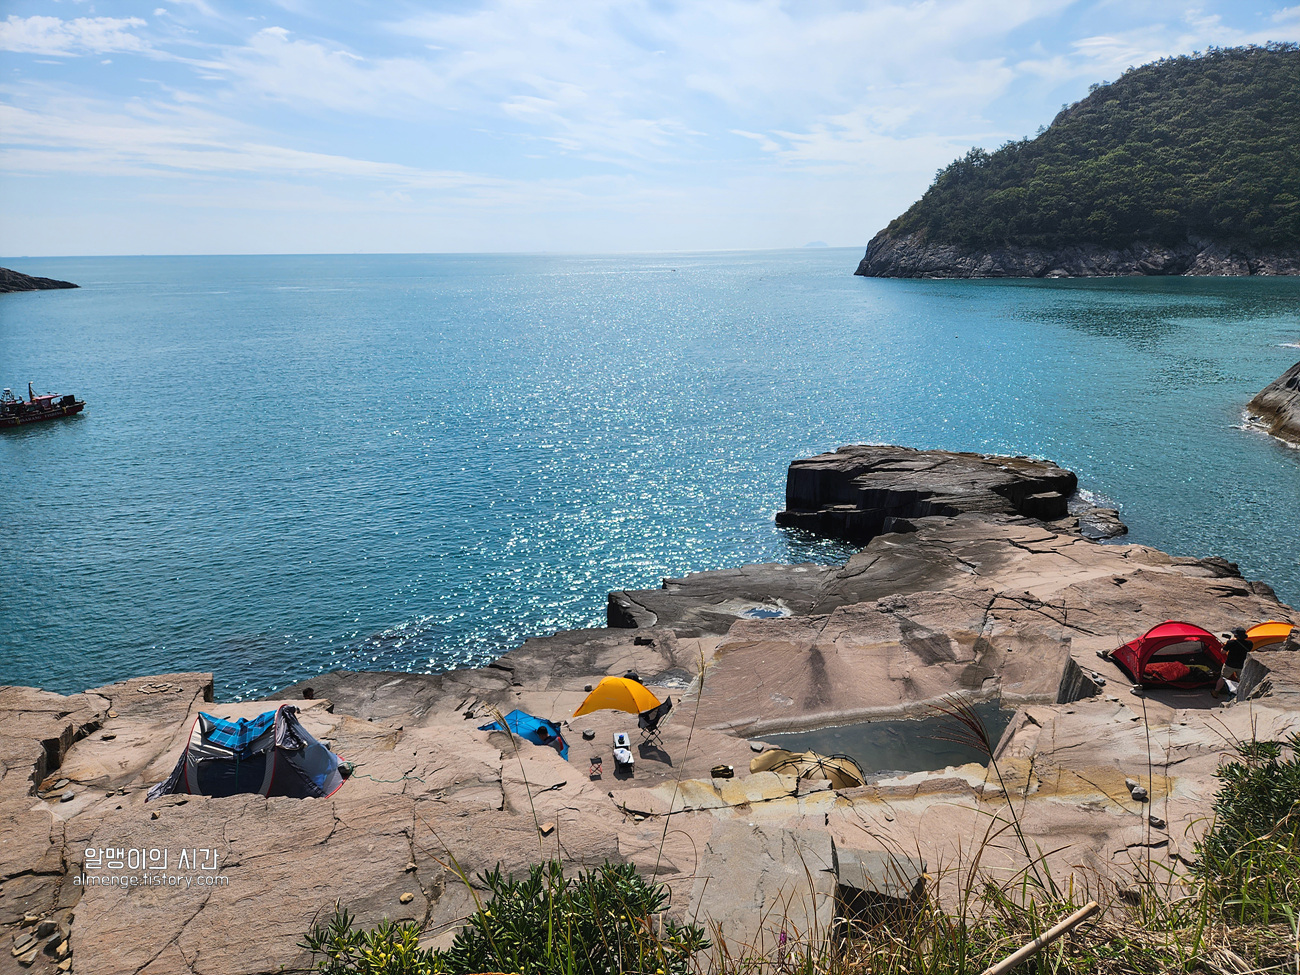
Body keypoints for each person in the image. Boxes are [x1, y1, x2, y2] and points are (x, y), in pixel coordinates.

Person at [1213, 627, 1251, 698]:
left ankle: (1216, 692)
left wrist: (1225, 645)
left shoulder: (1231, 643)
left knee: (1223, 677)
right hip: (1241, 665)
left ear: (1236, 635)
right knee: (1240, 679)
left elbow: (1223, 652)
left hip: (1230, 664)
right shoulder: (1249, 643)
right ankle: (1241, 694)